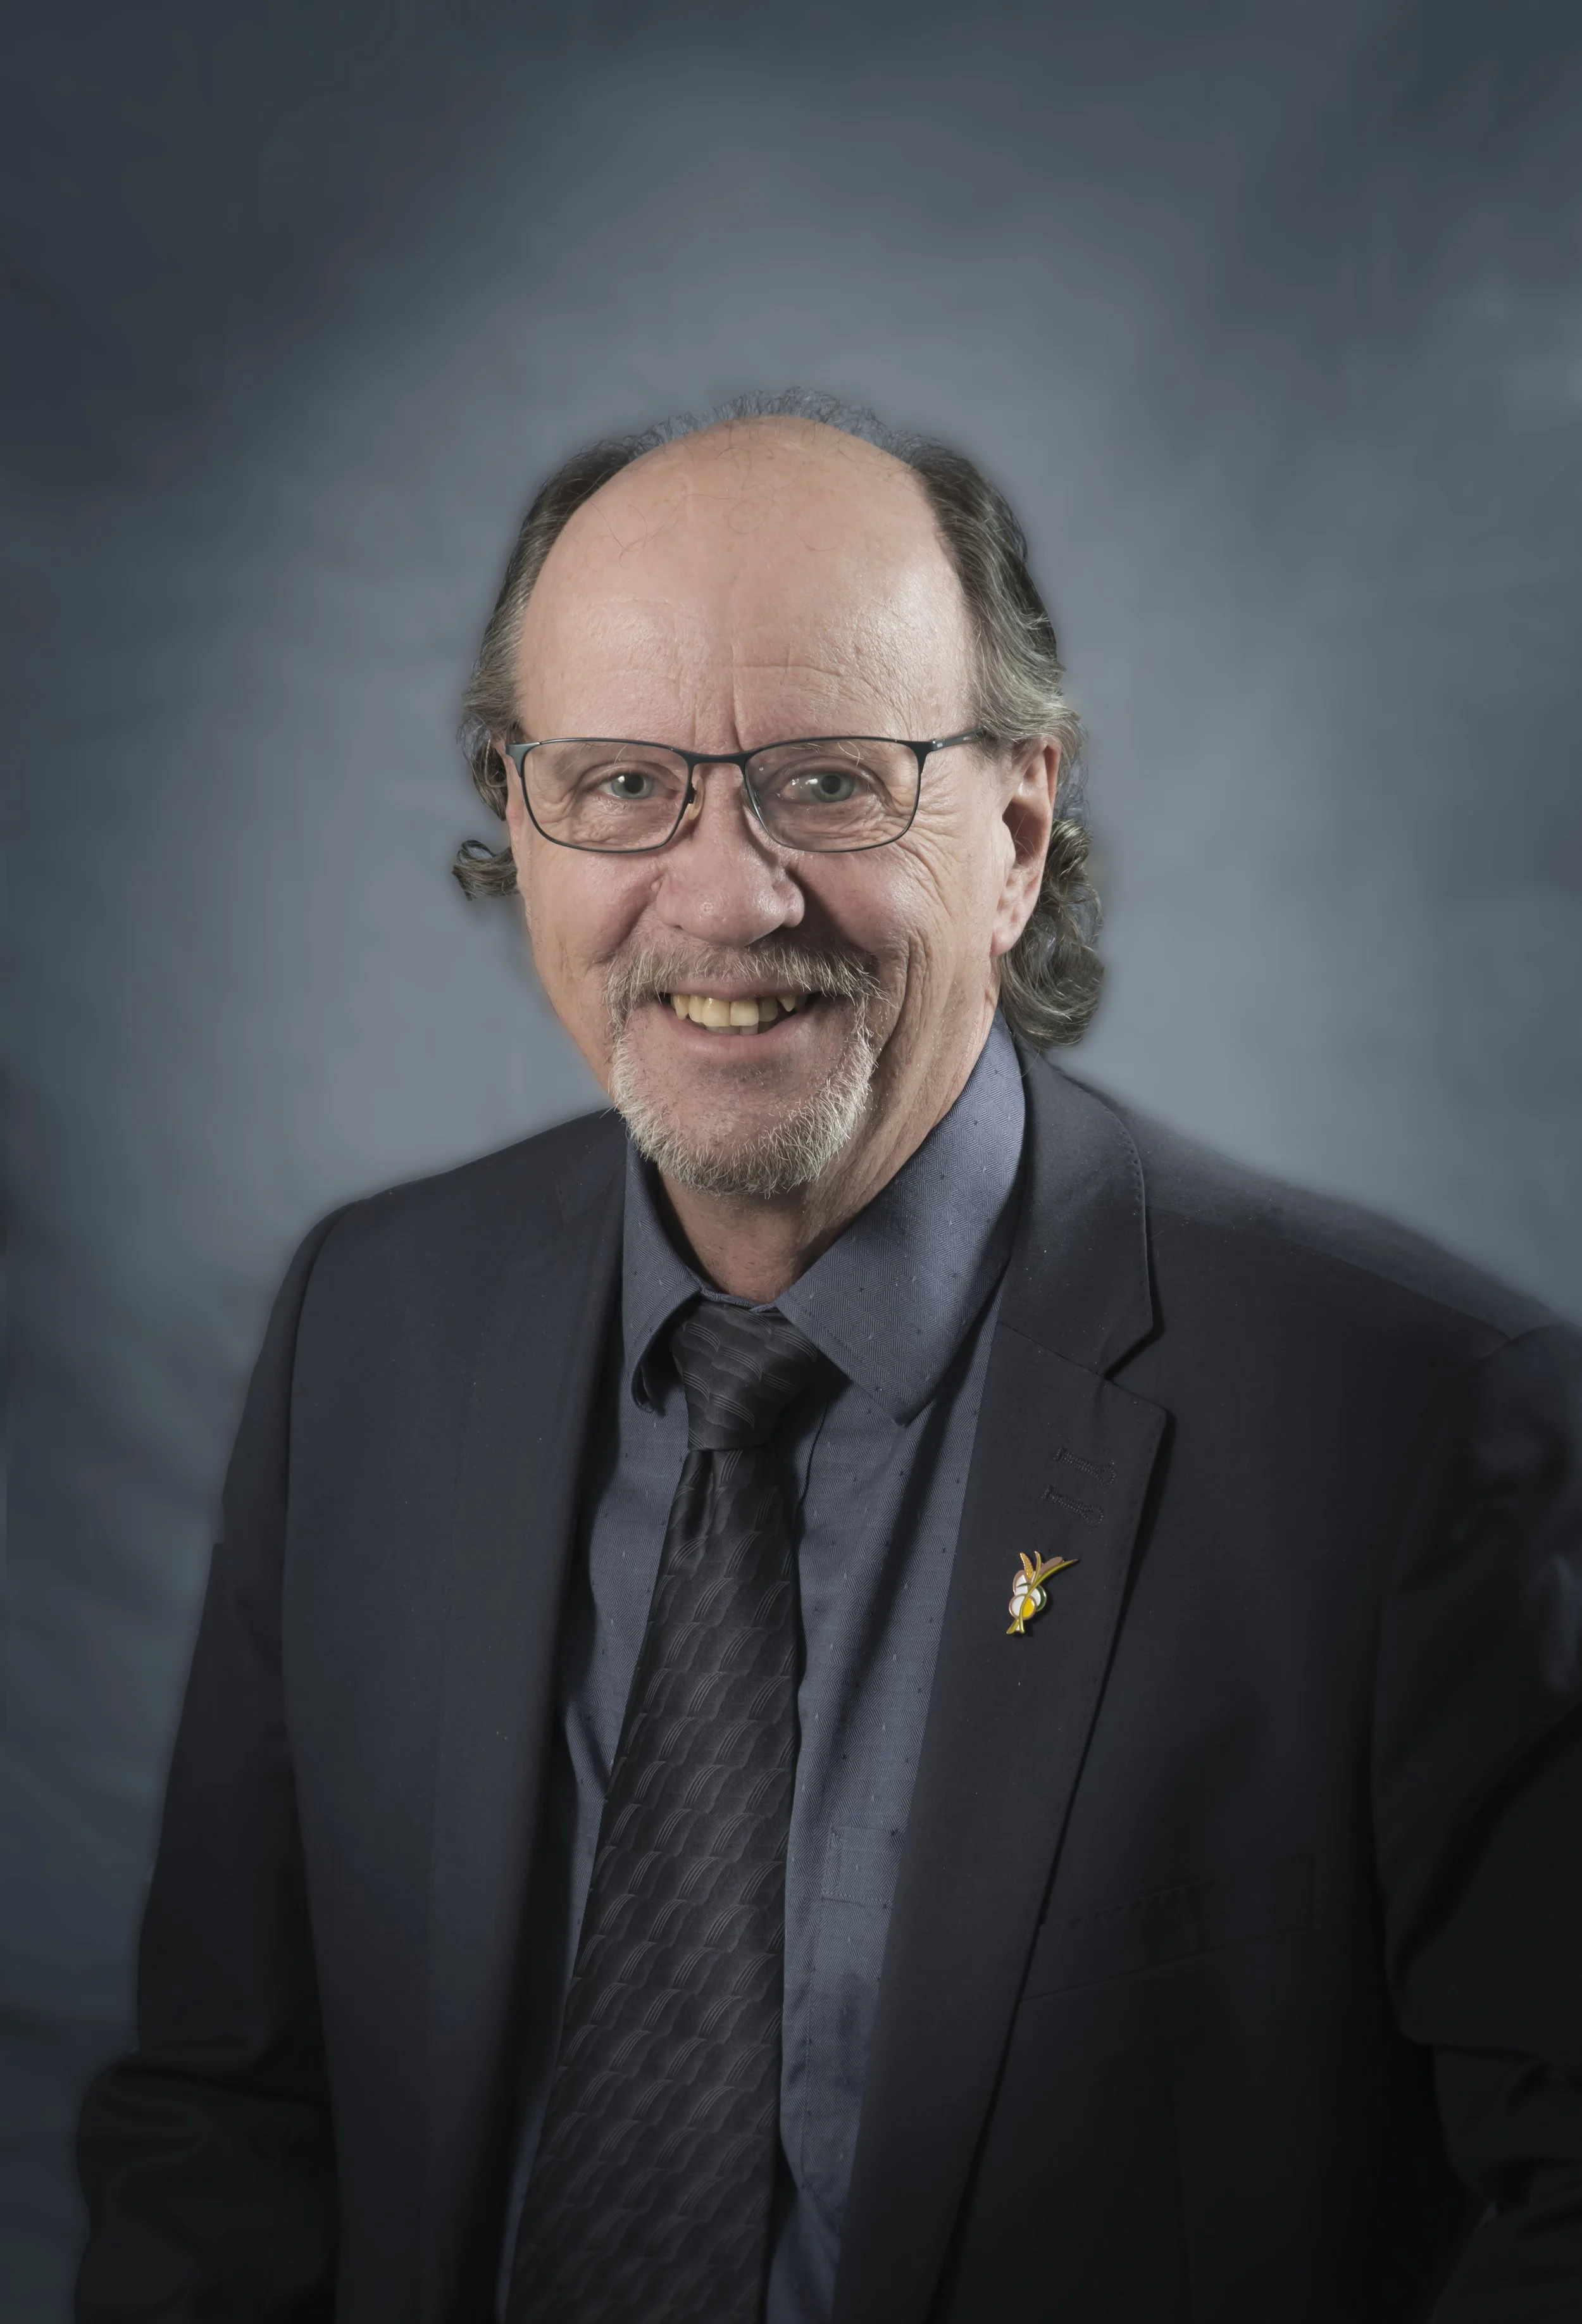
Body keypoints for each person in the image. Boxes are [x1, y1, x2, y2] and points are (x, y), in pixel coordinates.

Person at [76, 394, 1582, 2324]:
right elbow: (229, 2119)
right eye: (621, 784)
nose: (723, 897)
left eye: (827, 781)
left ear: (1017, 833)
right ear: (519, 820)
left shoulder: (1412, 1435)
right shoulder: (373, 1327)